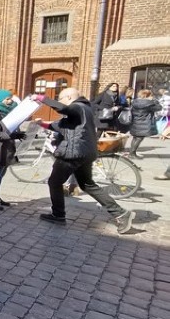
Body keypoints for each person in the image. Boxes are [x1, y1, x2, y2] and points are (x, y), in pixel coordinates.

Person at [31, 88, 135, 234]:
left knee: (54, 182)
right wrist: (42, 123)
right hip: (85, 153)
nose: (60, 103)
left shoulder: (78, 107)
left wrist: (42, 99)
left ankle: (58, 214)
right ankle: (121, 213)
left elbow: (65, 109)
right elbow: (61, 126)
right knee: (88, 185)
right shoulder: (83, 111)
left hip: (73, 154)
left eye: (60, 99)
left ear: (68, 97)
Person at [127, 89, 161, 159]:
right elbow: (159, 108)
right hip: (144, 122)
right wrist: (155, 101)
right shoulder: (149, 104)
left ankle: (132, 152)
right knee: (139, 138)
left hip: (136, 121)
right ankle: (132, 154)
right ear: (147, 95)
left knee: (135, 137)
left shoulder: (135, 102)